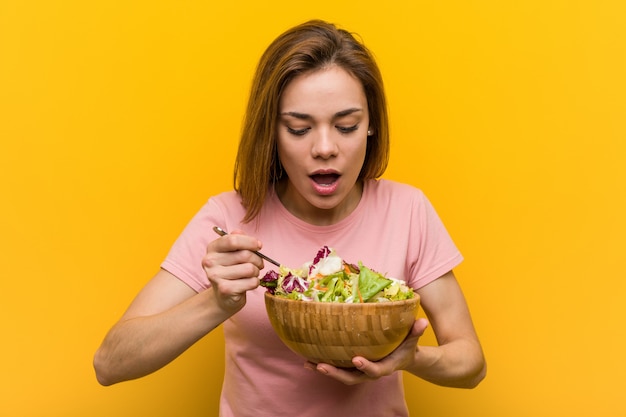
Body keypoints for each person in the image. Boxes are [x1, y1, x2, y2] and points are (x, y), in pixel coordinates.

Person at [93, 19, 486, 416]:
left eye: (347, 126)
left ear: (371, 127)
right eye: (299, 129)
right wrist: (217, 303)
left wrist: (408, 359)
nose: (325, 148)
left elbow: (470, 362)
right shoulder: (228, 218)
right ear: (272, 132)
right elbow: (110, 364)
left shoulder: (408, 211)